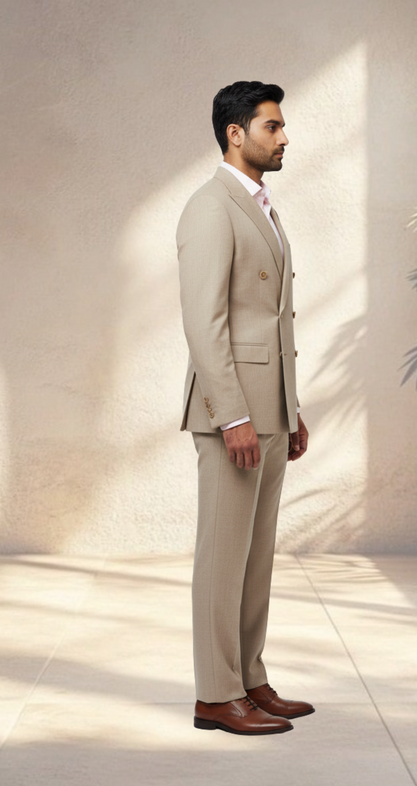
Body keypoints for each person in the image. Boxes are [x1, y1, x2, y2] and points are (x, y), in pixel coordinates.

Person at [177, 80, 312, 736]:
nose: (284, 137)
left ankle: (249, 679)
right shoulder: (210, 207)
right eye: (271, 126)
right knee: (223, 556)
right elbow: (204, 324)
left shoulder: (260, 207)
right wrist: (231, 415)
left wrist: (291, 408)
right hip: (231, 413)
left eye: (281, 126)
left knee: (255, 558)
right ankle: (215, 694)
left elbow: (270, 319)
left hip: (270, 409)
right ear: (235, 133)